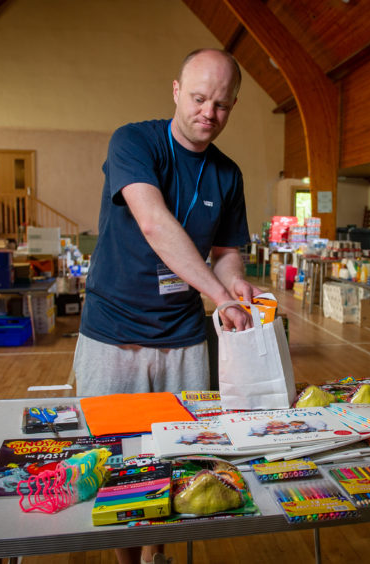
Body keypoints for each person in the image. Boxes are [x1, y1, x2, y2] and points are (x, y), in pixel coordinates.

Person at [73, 48, 259, 564]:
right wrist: (218, 294)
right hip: (114, 335)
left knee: (182, 463)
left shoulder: (228, 174)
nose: (208, 113)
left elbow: (226, 252)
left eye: (221, 105)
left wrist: (235, 285)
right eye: (198, 98)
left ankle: (159, 556)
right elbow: (154, 223)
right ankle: (129, 561)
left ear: (233, 105)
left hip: (183, 339)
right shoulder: (134, 141)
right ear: (176, 91)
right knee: (117, 467)